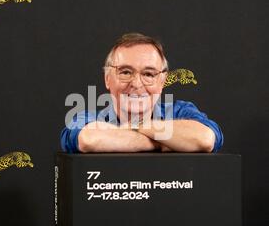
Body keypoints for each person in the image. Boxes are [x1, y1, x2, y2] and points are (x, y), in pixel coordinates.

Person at [61, 33, 223, 153]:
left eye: (148, 74)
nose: (137, 84)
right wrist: (162, 140)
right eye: (125, 72)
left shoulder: (181, 112)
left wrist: (136, 126)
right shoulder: (87, 119)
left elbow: (206, 138)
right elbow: (89, 140)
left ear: (162, 81)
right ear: (108, 79)